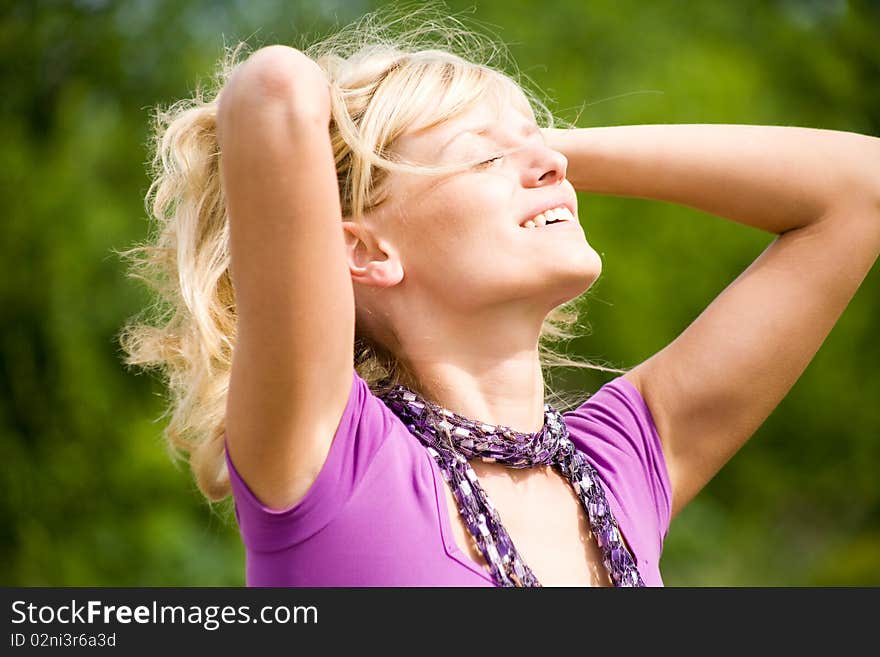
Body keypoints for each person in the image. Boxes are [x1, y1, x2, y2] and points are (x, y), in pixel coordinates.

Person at [118, 7, 880, 587]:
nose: (548, 164)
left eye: (542, 144)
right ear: (363, 248)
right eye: (484, 154)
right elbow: (276, 90)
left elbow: (859, 190)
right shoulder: (330, 459)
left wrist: (537, 149)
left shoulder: (619, 467)